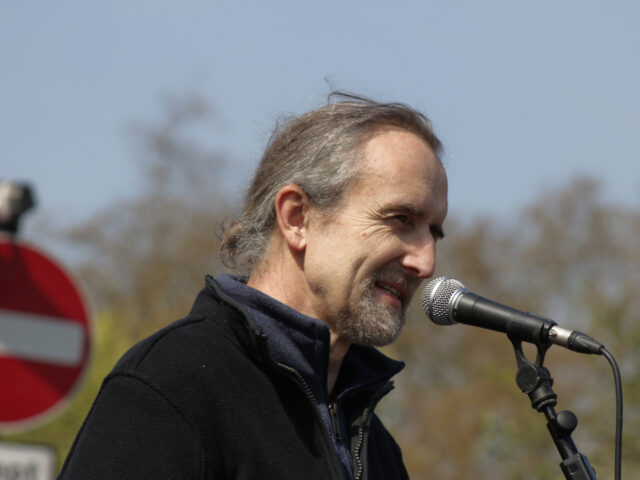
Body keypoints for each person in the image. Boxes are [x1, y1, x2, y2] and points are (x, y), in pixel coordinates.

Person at [58, 93, 448, 479]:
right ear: (297, 217)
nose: (426, 263)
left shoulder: (376, 448)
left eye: (433, 233)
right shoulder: (173, 385)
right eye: (400, 219)